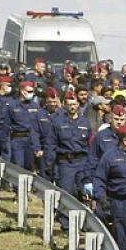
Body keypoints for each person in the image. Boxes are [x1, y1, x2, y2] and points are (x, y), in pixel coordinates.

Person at [48, 91, 93, 231]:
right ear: (65, 106)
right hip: (65, 163)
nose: (72, 107)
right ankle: (66, 223)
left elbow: (90, 144)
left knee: (82, 193)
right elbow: (51, 144)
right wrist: (49, 164)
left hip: (82, 161)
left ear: (78, 105)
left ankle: (82, 222)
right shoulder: (57, 122)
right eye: (69, 105)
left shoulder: (85, 122)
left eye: (74, 104)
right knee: (66, 192)